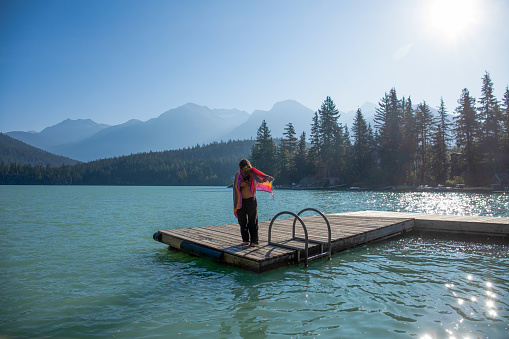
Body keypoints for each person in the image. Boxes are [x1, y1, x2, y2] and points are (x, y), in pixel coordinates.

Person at [233, 159, 274, 247]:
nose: (246, 169)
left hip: (251, 200)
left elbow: (261, 179)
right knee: (242, 221)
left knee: (253, 221)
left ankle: (254, 241)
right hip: (240, 202)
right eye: (244, 168)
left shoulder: (253, 174)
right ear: (241, 168)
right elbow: (235, 186)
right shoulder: (238, 175)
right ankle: (245, 240)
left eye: (247, 167)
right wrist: (242, 185)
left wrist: (268, 178)